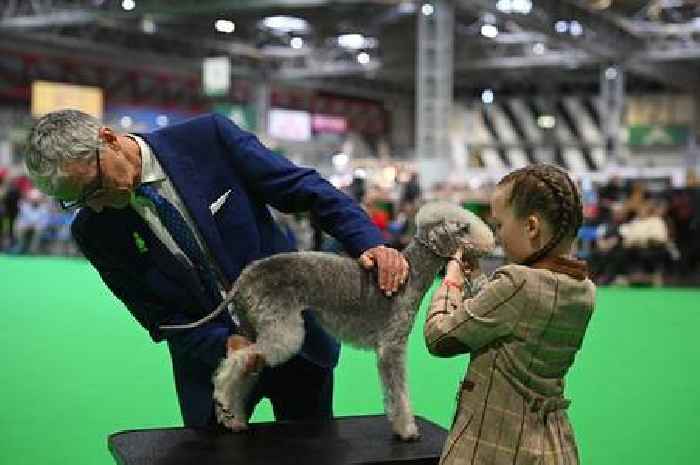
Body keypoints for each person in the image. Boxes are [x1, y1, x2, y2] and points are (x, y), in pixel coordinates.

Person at [24, 109, 409, 429]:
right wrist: (223, 344)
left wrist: (367, 240)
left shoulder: (207, 138)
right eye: (75, 202)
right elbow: (157, 316)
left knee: (315, 452)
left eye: (93, 187)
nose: (95, 205)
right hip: (213, 372)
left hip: (298, 341)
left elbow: (302, 187)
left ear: (108, 139)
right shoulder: (93, 230)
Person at [424, 164, 595, 465]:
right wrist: (478, 280)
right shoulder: (583, 290)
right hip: (552, 446)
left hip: (495, 446)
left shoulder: (518, 283)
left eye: (500, 225)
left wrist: (451, 280)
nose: (497, 235)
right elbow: (507, 324)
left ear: (531, 226)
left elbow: (440, 338)